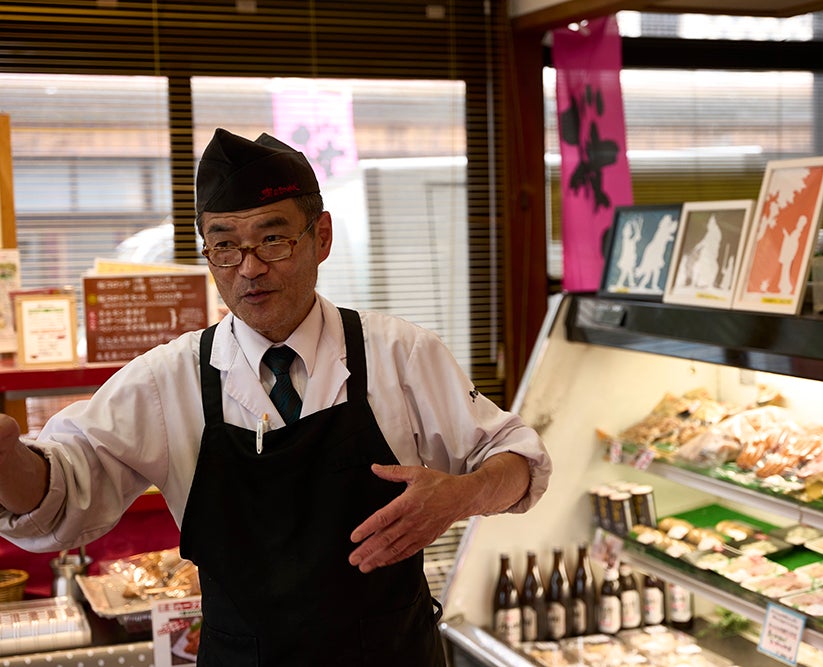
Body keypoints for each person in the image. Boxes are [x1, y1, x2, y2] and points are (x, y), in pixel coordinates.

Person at [0, 128, 552, 666]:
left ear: (322, 237)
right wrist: (7, 460)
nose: (250, 267)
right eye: (225, 246)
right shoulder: (167, 380)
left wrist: (463, 495)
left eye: (273, 238)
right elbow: (65, 493)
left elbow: (519, 461)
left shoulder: (400, 354)